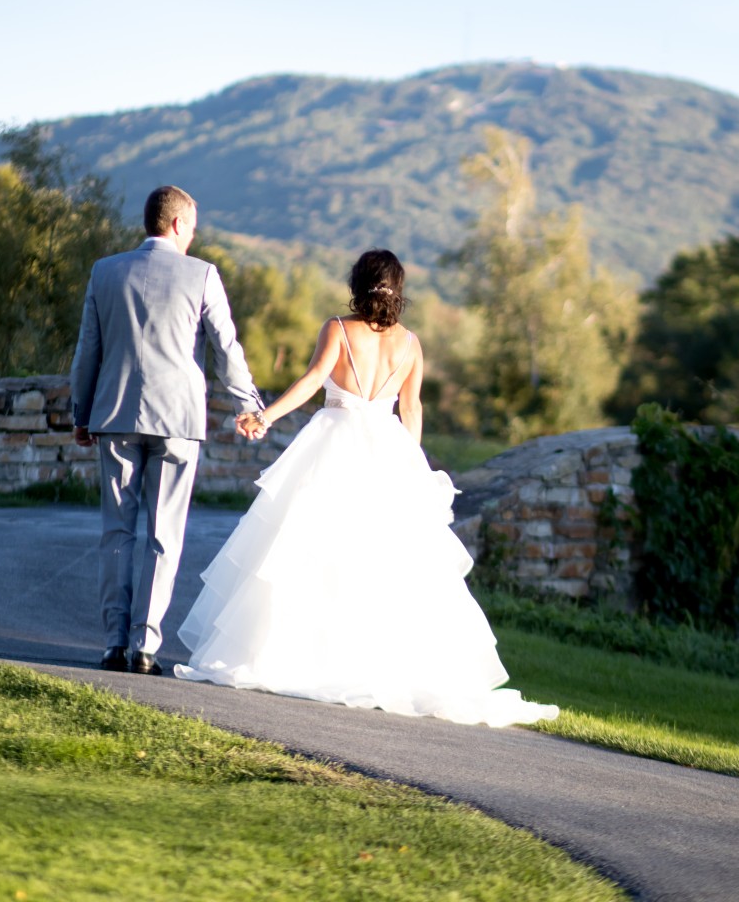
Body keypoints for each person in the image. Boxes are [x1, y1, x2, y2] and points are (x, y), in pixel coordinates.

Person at [174, 249, 559, 727]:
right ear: (398, 289)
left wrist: (265, 416)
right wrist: (413, 469)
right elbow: (411, 410)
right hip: (387, 452)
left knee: (312, 552)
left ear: (358, 283)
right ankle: (369, 663)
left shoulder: (338, 328)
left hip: (332, 446)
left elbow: (313, 381)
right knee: (380, 561)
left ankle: (306, 655)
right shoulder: (411, 344)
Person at [70, 184, 264, 676]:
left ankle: (113, 643)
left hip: (115, 415)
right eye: (192, 228)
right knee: (164, 534)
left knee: (116, 530)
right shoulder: (202, 275)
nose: (193, 237)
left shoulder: (105, 271)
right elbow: (226, 349)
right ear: (177, 224)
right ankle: (145, 646)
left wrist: (80, 413)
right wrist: (248, 406)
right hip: (177, 419)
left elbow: (88, 350)